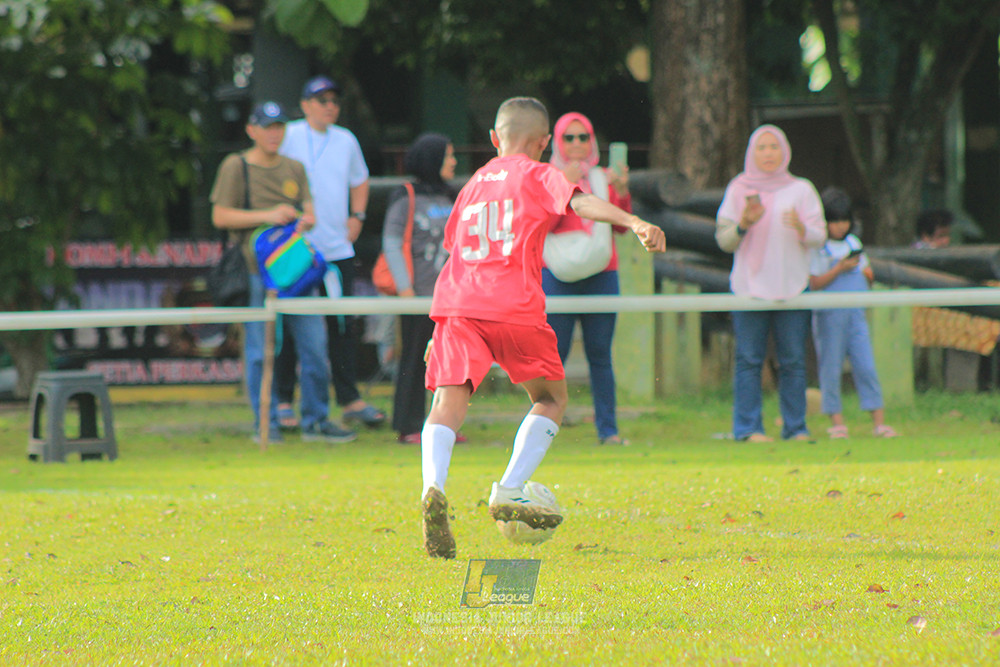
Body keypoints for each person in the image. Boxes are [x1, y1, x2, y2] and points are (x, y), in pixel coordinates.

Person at [419, 97, 666, 559]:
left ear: (495, 138)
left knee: (447, 402)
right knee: (551, 398)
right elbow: (583, 202)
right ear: (545, 142)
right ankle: (510, 489)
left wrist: (438, 330)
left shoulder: (472, 184)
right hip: (512, 302)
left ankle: (433, 486)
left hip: (456, 305)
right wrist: (633, 220)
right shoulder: (537, 173)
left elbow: (454, 254)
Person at [209, 101, 356, 444]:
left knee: (316, 347)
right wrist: (267, 215)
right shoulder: (236, 165)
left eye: (279, 127)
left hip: (296, 273)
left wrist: (303, 219)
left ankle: (317, 421)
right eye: (267, 127)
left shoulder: (294, 166)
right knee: (260, 351)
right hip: (255, 272)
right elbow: (221, 217)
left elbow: (310, 212)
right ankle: (266, 424)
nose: (274, 133)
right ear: (252, 130)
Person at [277, 75, 386, 429]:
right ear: (306, 104)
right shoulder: (288, 134)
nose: (330, 106)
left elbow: (360, 179)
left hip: (336, 248)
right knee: (291, 325)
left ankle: (349, 398)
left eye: (334, 100)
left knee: (342, 325)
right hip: (297, 248)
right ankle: (282, 400)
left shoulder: (345, 140)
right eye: (322, 100)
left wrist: (358, 216)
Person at [715, 124, 827, 443]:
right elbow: (724, 241)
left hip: (792, 286)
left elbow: (819, 236)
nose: (768, 153)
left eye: (773, 147)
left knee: (792, 360)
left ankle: (795, 428)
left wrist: (802, 228)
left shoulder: (801, 189)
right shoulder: (739, 187)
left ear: (785, 151)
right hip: (749, 289)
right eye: (761, 147)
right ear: (752, 152)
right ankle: (748, 429)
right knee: (749, 360)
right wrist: (744, 224)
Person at [543, 111, 631, 445]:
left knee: (600, 354)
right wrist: (563, 183)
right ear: (558, 141)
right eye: (569, 137)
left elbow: (621, 227)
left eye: (584, 137)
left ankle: (608, 431)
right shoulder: (548, 175)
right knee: (554, 355)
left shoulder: (603, 177)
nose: (577, 144)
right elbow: (542, 225)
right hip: (556, 275)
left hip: (601, 274)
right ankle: (544, 432)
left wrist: (620, 193)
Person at [382, 133, 463, 444]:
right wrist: (405, 290)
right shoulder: (406, 196)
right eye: (448, 156)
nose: (453, 162)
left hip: (450, 297)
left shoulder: (451, 196)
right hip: (417, 297)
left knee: (452, 364)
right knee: (415, 360)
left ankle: (445, 425)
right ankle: (409, 425)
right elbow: (391, 242)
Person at [809, 188, 898, 439]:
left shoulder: (853, 243)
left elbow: (866, 274)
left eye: (844, 220)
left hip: (856, 316)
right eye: (834, 221)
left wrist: (864, 273)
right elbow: (814, 282)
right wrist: (839, 268)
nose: (840, 226)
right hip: (829, 316)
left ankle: (878, 423)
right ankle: (837, 422)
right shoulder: (819, 247)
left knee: (866, 366)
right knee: (831, 368)